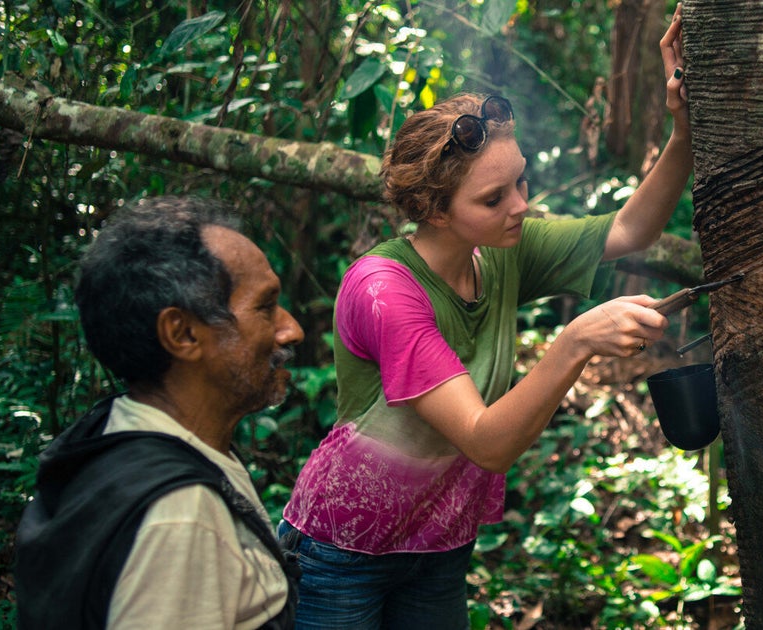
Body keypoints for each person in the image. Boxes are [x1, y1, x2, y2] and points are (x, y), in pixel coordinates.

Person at [278, 5, 690, 628]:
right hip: (343, 549)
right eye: (494, 198)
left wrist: (683, 131)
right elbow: (486, 441)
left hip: (439, 541)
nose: (521, 207)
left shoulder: (499, 250)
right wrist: (576, 340)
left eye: (520, 183)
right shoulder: (384, 289)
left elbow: (631, 228)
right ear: (433, 209)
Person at [14, 196, 305, 629]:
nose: (292, 329)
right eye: (265, 307)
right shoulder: (180, 520)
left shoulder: (116, 429)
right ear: (183, 333)